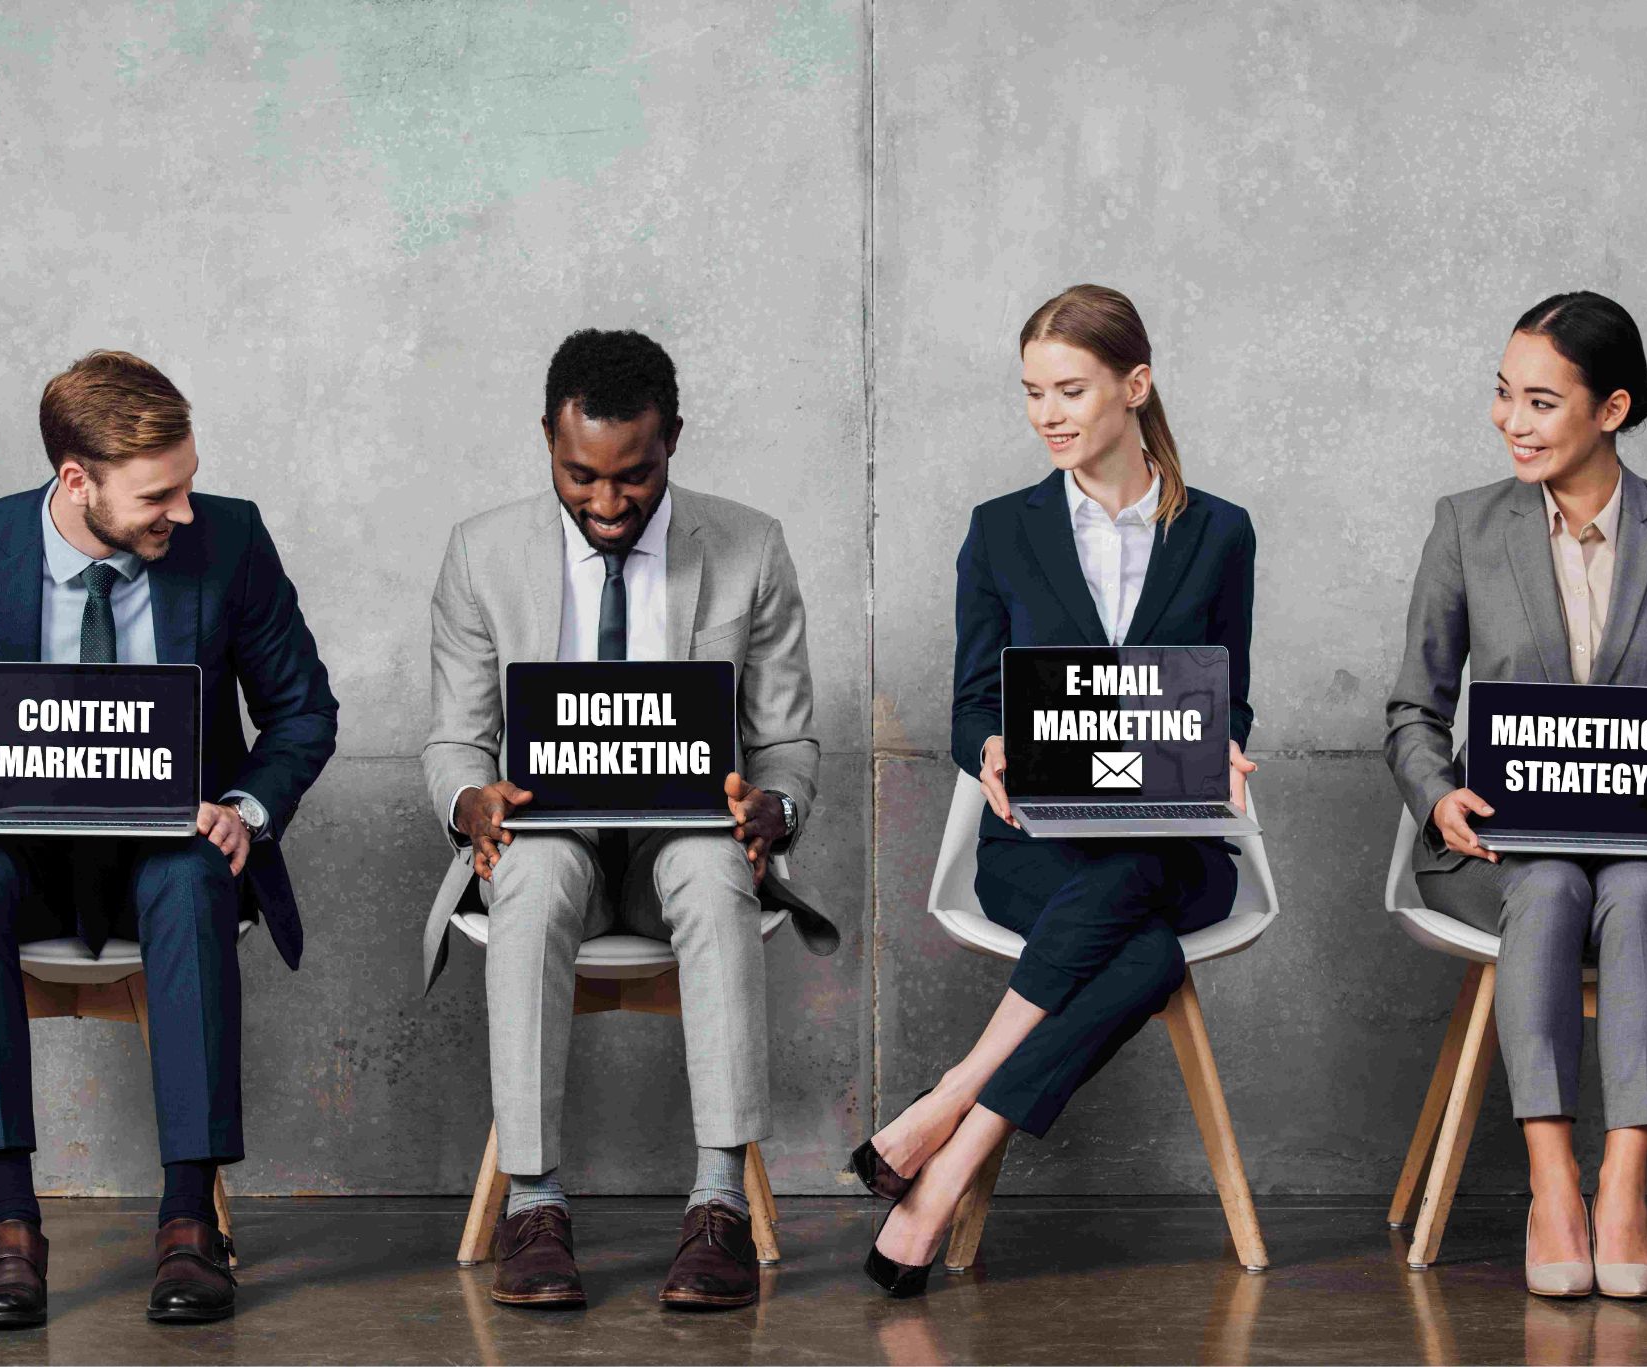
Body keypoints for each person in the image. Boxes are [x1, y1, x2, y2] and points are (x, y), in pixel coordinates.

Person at [0, 351, 337, 1327]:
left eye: (187, 483)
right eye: (159, 494)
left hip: (165, 852)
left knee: (195, 874)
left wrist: (245, 805)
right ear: (77, 480)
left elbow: (300, 711)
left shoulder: (229, 542)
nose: (182, 511)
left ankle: (190, 1219)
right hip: (15, 858)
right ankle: (11, 1224)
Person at [855, 285, 1257, 1297]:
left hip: (1172, 843)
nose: (1047, 414)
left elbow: (1228, 699)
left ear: (1134, 383)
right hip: (1039, 847)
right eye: (1031, 392)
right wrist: (988, 749)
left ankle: (948, 1112)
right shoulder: (999, 530)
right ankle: (945, 1155)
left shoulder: (1218, 532)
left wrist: (1223, 751)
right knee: (1145, 950)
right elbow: (968, 702)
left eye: (1069, 389)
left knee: (1137, 866)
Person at [419, 328, 832, 1312]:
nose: (606, 503)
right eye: (579, 477)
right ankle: (532, 1202)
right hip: (543, 830)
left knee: (708, 861)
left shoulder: (749, 547)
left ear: (672, 440)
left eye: (633, 477)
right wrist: (470, 798)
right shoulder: (482, 552)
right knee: (527, 862)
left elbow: (785, 745)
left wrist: (770, 808)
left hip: (679, 836)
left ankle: (718, 1203)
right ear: (548, 444)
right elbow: (455, 739)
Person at [1385, 291, 1647, 1300]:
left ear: (1610, 408)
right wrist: (1435, 794)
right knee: (1546, 888)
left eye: (1540, 401)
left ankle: (1620, 1186)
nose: (1511, 420)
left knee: (1631, 893)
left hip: (1640, 840)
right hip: (1500, 843)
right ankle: (1552, 1184)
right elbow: (1413, 706)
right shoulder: (1464, 524)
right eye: (1502, 395)